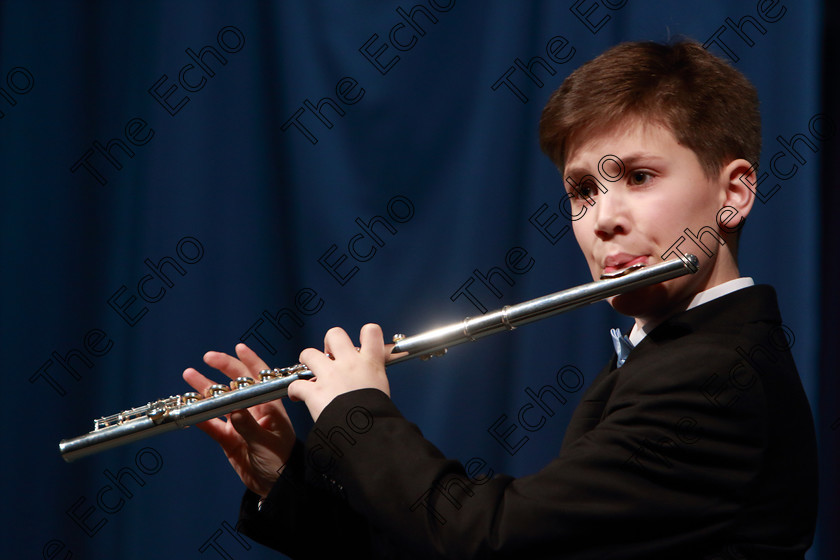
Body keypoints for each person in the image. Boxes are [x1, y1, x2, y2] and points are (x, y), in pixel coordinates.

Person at [183, 40, 818, 559]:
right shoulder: (661, 359)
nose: (603, 219)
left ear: (733, 193)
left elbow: (489, 541)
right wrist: (284, 481)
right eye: (581, 191)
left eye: (638, 177)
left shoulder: (713, 375)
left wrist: (356, 413)